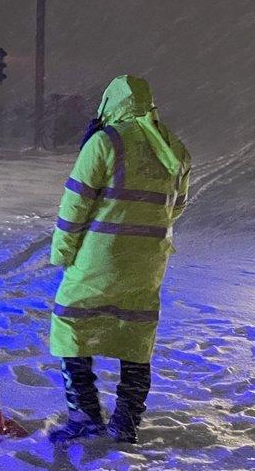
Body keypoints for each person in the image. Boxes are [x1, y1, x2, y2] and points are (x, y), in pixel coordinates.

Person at [47, 75, 191, 443]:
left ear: (111, 104)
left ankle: (85, 416)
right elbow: (176, 209)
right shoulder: (174, 149)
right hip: (147, 264)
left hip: (99, 259)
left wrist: (63, 251)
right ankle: (126, 421)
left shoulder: (105, 143)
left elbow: (75, 203)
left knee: (71, 327)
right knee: (136, 336)